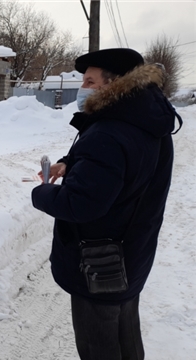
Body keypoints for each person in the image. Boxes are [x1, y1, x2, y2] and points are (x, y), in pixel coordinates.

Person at [31, 48, 182, 360]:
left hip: (99, 265)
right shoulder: (145, 120)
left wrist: (40, 193)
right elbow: (120, 167)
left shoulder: (109, 132)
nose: (83, 87)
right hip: (132, 254)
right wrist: (69, 163)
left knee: (98, 345)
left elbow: (80, 203)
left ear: (112, 84)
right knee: (126, 335)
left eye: (89, 80)